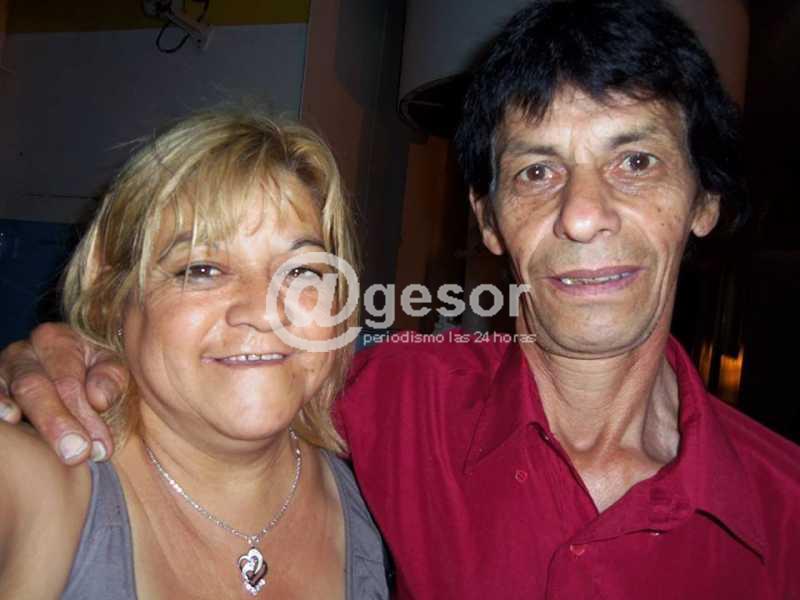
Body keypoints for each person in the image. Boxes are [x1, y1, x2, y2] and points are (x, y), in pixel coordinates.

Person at [2, 0, 800, 598]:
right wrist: (70, 351)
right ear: (488, 220)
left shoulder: (786, 513)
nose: (583, 214)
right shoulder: (395, 392)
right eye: (536, 171)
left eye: (636, 162)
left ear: (705, 200)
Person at [0, 110, 389, 599]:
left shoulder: (377, 485)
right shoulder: (46, 483)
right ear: (112, 299)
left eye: (301, 270)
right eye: (201, 269)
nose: (263, 311)